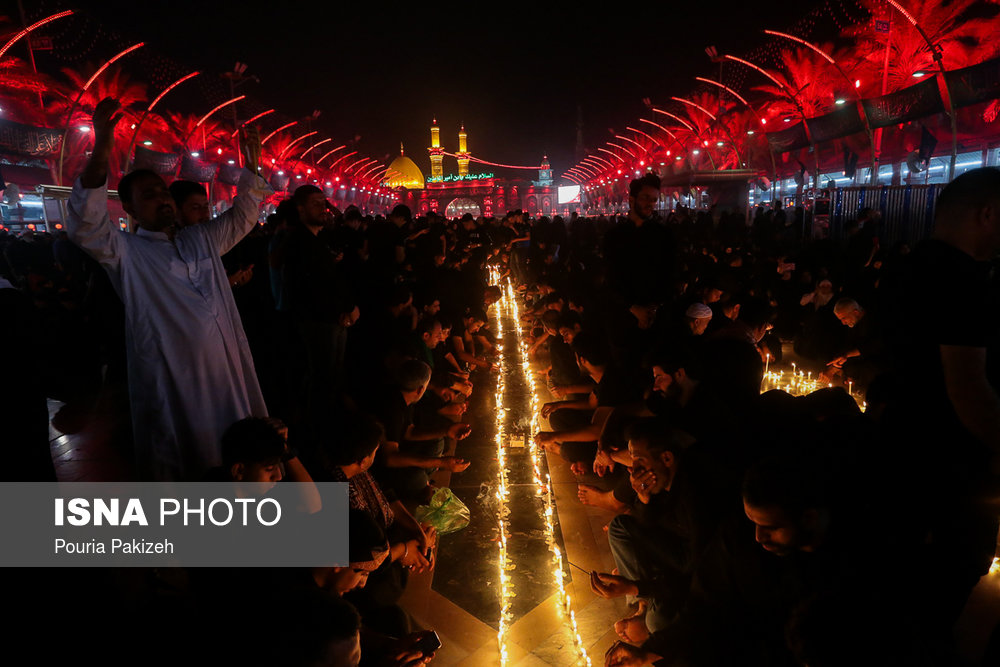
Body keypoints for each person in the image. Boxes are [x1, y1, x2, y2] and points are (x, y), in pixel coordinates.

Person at [66, 98, 271, 481]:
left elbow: (244, 216)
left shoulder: (201, 240)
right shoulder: (126, 253)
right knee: (193, 458)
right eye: (148, 195)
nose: (161, 198)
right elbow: (86, 225)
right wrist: (103, 147)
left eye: (161, 191)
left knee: (239, 451)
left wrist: (252, 167)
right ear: (128, 208)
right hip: (176, 381)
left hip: (225, 372)